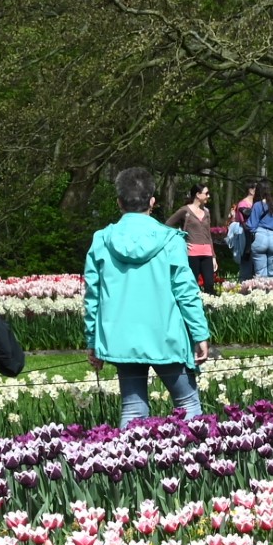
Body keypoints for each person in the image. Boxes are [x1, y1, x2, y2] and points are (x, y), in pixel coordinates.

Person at [85, 165, 211, 427]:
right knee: (187, 403)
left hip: (121, 336)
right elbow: (186, 291)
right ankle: (195, 462)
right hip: (166, 335)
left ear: (119, 202)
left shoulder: (102, 240)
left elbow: (92, 296)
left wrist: (92, 340)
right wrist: (199, 334)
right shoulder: (170, 240)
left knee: (132, 409)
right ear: (152, 201)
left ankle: (129, 466)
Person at [172, 184, 220, 292]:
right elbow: (167, 225)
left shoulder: (207, 212)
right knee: (192, 285)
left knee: (209, 284)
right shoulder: (185, 211)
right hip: (192, 253)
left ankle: (210, 307)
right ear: (198, 195)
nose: (208, 196)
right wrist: (181, 241)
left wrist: (213, 256)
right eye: (206, 193)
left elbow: (208, 235)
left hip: (207, 253)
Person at [243, 185, 273, 279]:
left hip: (260, 238)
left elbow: (251, 226)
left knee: (260, 275)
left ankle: (261, 292)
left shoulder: (258, 205)